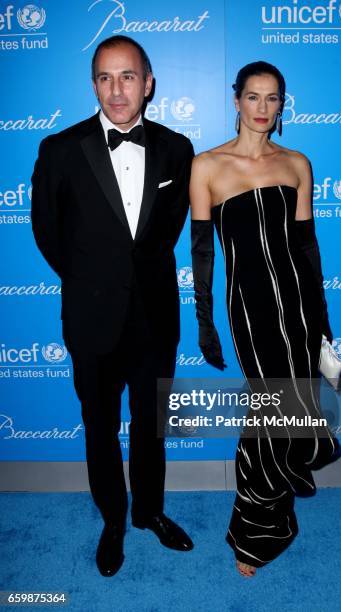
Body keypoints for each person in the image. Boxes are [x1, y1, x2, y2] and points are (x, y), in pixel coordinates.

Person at [31, 35, 194, 577]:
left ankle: (150, 511)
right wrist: (91, 282)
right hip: (91, 317)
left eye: (128, 77)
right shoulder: (60, 149)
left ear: (148, 84)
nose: (116, 89)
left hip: (155, 318)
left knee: (152, 426)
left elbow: (165, 232)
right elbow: (48, 233)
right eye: (105, 77)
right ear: (93, 85)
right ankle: (113, 520)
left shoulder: (177, 148)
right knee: (99, 425)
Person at [190, 61, 341, 577]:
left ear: (282, 105)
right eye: (253, 97)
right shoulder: (207, 166)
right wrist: (205, 322)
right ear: (236, 100)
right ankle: (256, 533)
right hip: (250, 311)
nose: (262, 109)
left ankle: (278, 512)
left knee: (294, 404)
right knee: (267, 413)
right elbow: (203, 254)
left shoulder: (298, 163)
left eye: (272, 99)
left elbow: (307, 249)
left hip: (298, 306)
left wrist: (322, 322)